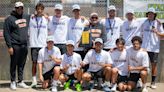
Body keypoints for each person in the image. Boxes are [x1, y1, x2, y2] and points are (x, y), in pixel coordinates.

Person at [3, 1, 30, 90]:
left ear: (23, 8)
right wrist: (9, 46)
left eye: (21, 8)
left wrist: (45, 15)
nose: (20, 9)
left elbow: (35, 16)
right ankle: (13, 81)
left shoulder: (26, 16)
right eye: (18, 8)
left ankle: (20, 81)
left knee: (22, 64)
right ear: (15, 8)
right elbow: (6, 33)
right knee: (13, 64)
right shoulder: (9, 19)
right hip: (15, 45)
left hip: (24, 45)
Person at [140, 7, 164, 89]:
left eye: (152, 14)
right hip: (144, 48)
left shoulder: (158, 23)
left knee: (154, 66)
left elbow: (162, 35)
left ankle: (153, 82)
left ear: (154, 15)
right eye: (149, 13)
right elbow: (141, 33)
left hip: (154, 48)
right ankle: (141, 82)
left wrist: (157, 32)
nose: (150, 15)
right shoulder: (144, 22)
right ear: (147, 14)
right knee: (142, 65)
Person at [29, 3, 49, 87]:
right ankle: (34, 80)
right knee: (34, 63)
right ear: (36, 9)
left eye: (41, 9)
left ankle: (44, 79)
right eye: (38, 9)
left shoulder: (46, 19)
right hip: (34, 45)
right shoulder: (31, 18)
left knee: (44, 64)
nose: (39, 10)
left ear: (43, 10)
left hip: (43, 45)